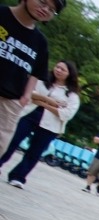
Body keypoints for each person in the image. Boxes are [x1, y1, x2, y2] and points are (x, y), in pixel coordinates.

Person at [1, 59, 79, 189]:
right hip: (29, 114)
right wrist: (50, 101)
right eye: (57, 67)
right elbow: (29, 93)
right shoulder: (42, 81)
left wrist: (42, 103)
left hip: (50, 125)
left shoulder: (72, 95)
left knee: (34, 152)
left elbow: (66, 114)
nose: (58, 70)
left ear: (69, 74)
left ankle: (18, 177)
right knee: (11, 141)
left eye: (63, 69)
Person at [0, 0, 61, 159]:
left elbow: (37, 72)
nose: (45, 9)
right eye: (43, 2)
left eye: (52, 10)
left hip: (10, 101)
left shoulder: (40, 42)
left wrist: (26, 96)